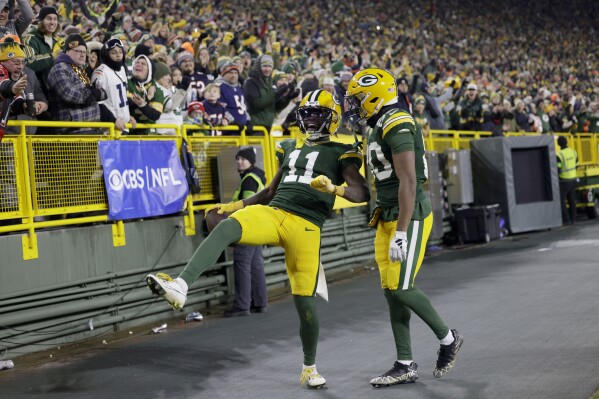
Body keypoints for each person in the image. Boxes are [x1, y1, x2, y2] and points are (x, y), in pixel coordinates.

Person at [146, 89, 370, 389]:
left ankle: (309, 367)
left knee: (305, 305)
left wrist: (335, 189)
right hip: (276, 212)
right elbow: (268, 192)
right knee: (228, 226)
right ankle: (181, 285)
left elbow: (362, 192)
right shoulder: (290, 148)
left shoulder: (342, 152)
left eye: (318, 114)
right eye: (307, 114)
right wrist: (235, 206)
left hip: (307, 226)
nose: (312, 120)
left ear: (332, 118)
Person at [345, 68, 463, 387]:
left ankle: (448, 338)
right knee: (391, 292)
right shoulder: (379, 123)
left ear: (375, 96)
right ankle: (405, 363)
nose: (354, 105)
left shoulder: (396, 121)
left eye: (358, 99)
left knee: (401, 287)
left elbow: (409, 180)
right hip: (387, 215)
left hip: (407, 216)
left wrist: (401, 230)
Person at [224, 146, 268, 317]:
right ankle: (260, 302)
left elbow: (247, 205)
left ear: (251, 161)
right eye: (238, 159)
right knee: (256, 265)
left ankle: (242, 306)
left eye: (243, 159)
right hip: (258, 227)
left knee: (242, 264)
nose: (239, 161)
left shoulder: (249, 179)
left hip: (247, 227)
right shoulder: (256, 175)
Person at [47, 34, 108, 134]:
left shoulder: (78, 69)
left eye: (84, 52)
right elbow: (68, 93)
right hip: (71, 130)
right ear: (67, 51)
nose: (83, 54)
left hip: (87, 127)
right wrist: (93, 95)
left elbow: (90, 90)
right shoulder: (60, 68)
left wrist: (93, 93)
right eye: (78, 51)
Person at [92, 38, 136, 133]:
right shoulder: (100, 72)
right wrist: (113, 119)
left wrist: (127, 116)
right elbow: (97, 104)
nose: (118, 55)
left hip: (123, 127)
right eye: (114, 52)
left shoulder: (122, 69)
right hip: (109, 129)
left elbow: (120, 98)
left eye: (120, 52)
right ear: (107, 54)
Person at [556, 135, 578, 225]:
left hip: (564, 180)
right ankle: (573, 219)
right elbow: (577, 164)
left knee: (561, 201)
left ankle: (566, 220)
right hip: (573, 179)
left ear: (558, 144)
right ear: (567, 142)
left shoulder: (559, 155)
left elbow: (558, 169)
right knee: (571, 200)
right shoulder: (573, 152)